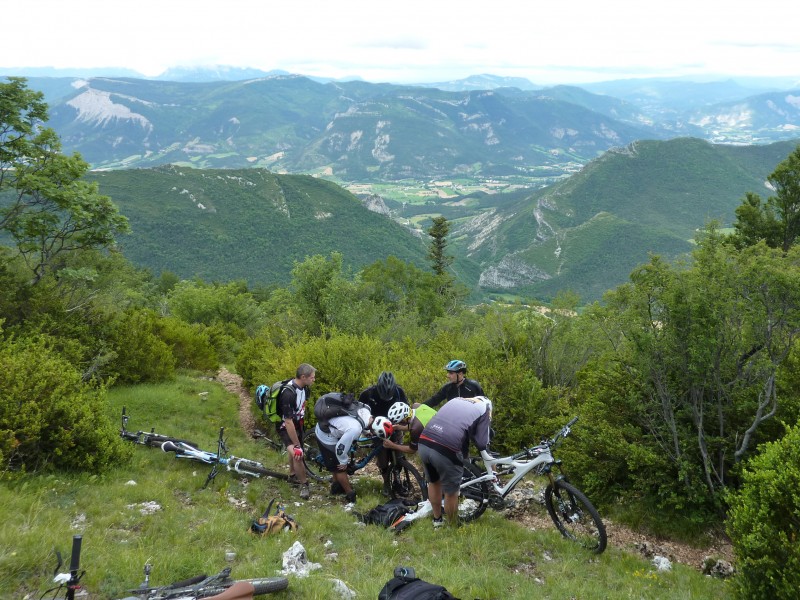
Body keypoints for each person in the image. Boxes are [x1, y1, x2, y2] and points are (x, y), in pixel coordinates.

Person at [418, 396, 492, 528]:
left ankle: (437, 521)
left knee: (434, 482)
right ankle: (452, 526)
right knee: (451, 491)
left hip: (424, 440)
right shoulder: (484, 409)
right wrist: (490, 462)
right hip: (445, 446)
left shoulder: (456, 399)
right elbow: (481, 443)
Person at [314, 397, 381, 504]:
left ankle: (336, 487)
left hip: (336, 427)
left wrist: (366, 431)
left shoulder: (367, 410)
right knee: (340, 467)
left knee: (337, 463)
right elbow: (340, 449)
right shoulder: (355, 429)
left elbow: (357, 418)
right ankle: (350, 493)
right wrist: (344, 462)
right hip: (325, 433)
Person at [359, 371, 409, 495]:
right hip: (376, 428)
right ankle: (386, 481)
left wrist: (403, 425)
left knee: (398, 455)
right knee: (382, 458)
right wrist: (366, 430)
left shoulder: (399, 392)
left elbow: (406, 411)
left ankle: (397, 479)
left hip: (394, 426)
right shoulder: (367, 394)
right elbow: (360, 413)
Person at [276, 363, 316, 500]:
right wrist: (296, 444)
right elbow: (287, 422)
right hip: (285, 426)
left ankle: (292, 475)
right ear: (303, 377)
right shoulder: (288, 394)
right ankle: (304, 484)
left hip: (297, 424)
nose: (314, 380)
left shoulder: (304, 388)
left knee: (294, 451)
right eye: (312, 377)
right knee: (298, 453)